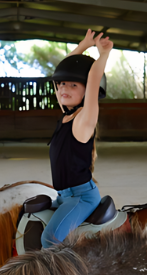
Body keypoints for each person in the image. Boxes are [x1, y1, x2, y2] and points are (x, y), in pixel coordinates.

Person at [41, 29, 111, 248]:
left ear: (87, 92)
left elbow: (93, 78)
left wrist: (103, 55)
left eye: (73, 85)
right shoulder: (66, 115)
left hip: (81, 198)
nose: (64, 88)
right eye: (62, 84)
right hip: (63, 195)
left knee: (49, 240)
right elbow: (61, 71)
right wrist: (83, 46)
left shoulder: (83, 120)